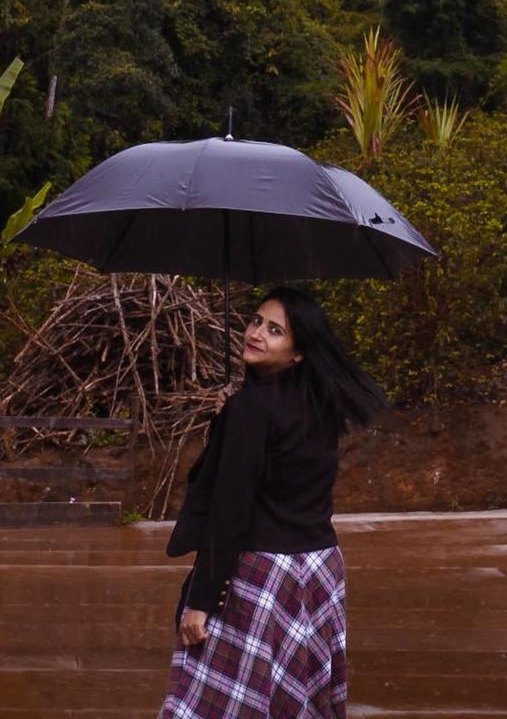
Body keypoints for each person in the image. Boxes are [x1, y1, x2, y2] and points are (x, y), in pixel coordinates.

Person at [157, 286, 388, 719]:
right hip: (319, 571)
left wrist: (201, 601)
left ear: (298, 352)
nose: (257, 333)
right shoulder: (322, 404)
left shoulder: (252, 409)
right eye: (256, 321)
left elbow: (229, 509)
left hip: (263, 574)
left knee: (224, 703)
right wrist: (229, 419)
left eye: (275, 330)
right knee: (296, 698)